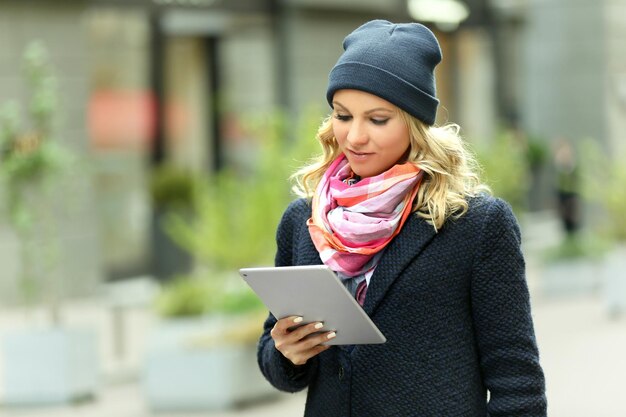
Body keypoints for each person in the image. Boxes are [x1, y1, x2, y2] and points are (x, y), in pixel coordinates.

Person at [257, 19, 547, 416]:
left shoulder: (475, 225)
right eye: (343, 116)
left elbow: (517, 381)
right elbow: (277, 364)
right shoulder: (303, 222)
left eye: (377, 119)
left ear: (415, 126)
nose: (355, 136)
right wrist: (286, 351)